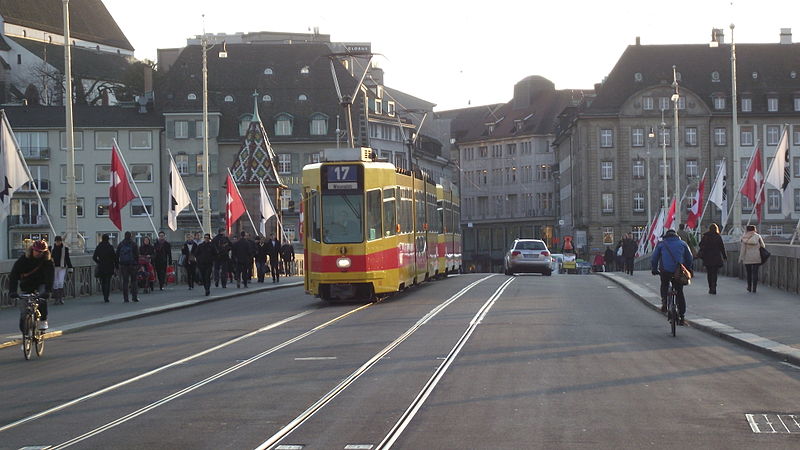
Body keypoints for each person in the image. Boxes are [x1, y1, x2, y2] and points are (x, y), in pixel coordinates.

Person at [651, 229, 694, 325]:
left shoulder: (661, 244)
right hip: (678, 272)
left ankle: (664, 302)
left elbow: (654, 258)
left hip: (665, 272)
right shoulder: (682, 244)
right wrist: (687, 268)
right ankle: (682, 317)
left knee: (664, 284)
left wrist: (654, 269)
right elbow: (690, 258)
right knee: (680, 292)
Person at [10, 240, 54, 331]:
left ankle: (43, 320)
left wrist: (48, 290)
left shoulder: (47, 261)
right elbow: (14, 275)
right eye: (36, 251)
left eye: (41, 252)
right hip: (27, 284)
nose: (38, 253)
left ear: (45, 252)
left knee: (42, 299)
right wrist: (12, 291)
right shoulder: (24, 259)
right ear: (32, 249)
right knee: (24, 311)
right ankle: (25, 337)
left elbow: (50, 277)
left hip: (41, 283)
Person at [698, 223, 727, 295]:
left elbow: (700, 245)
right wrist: (724, 256)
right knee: (714, 273)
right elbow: (722, 247)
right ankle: (714, 286)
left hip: (707, 257)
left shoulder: (706, 236)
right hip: (716, 257)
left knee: (709, 273)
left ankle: (710, 287)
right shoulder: (718, 236)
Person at [739, 224, 766, 293]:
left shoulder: (744, 237)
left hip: (747, 258)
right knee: (755, 273)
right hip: (756, 257)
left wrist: (741, 258)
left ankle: (749, 287)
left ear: (747, 230)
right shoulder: (757, 236)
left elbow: (743, 249)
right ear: (754, 229)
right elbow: (763, 246)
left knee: (749, 273)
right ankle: (754, 288)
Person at [116, 231, 141, 302]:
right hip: (132, 265)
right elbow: (137, 255)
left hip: (123, 265)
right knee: (134, 281)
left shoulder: (121, 244)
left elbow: (117, 255)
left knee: (125, 282)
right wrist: (137, 264)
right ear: (131, 236)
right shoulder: (133, 244)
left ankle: (126, 298)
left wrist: (117, 264)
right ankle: (134, 297)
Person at [93, 234, 117, 302]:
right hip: (109, 266)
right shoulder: (110, 247)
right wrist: (116, 265)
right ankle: (106, 297)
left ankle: (104, 294)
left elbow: (94, 257)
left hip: (101, 266)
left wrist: (99, 262)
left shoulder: (99, 247)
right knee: (108, 281)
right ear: (108, 239)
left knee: (103, 281)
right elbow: (114, 257)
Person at [51, 235, 73, 305]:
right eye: (57, 241)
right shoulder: (53, 249)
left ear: (61, 241)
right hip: (55, 267)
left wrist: (70, 267)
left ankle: (60, 298)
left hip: (62, 267)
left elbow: (67, 258)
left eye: (59, 241)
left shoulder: (65, 249)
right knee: (55, 283)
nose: (58, 242)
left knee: (60, 282)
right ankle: (56, 298)